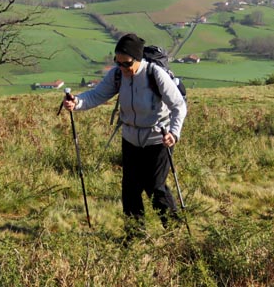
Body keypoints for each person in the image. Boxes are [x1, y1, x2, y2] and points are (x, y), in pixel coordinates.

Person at [61, 33, 187, 242]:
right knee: (130, 189)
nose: (122, 68)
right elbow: (97, 95)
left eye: (127, 64)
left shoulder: (155, 74)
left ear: (138, 60)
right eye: (118, 63)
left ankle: (174, 231)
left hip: (159, 138)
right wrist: (77, 103)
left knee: (155, 186)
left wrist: (173, 133)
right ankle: (135, 235)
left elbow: (178, 106)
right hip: (130, 138)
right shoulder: (118, 74)